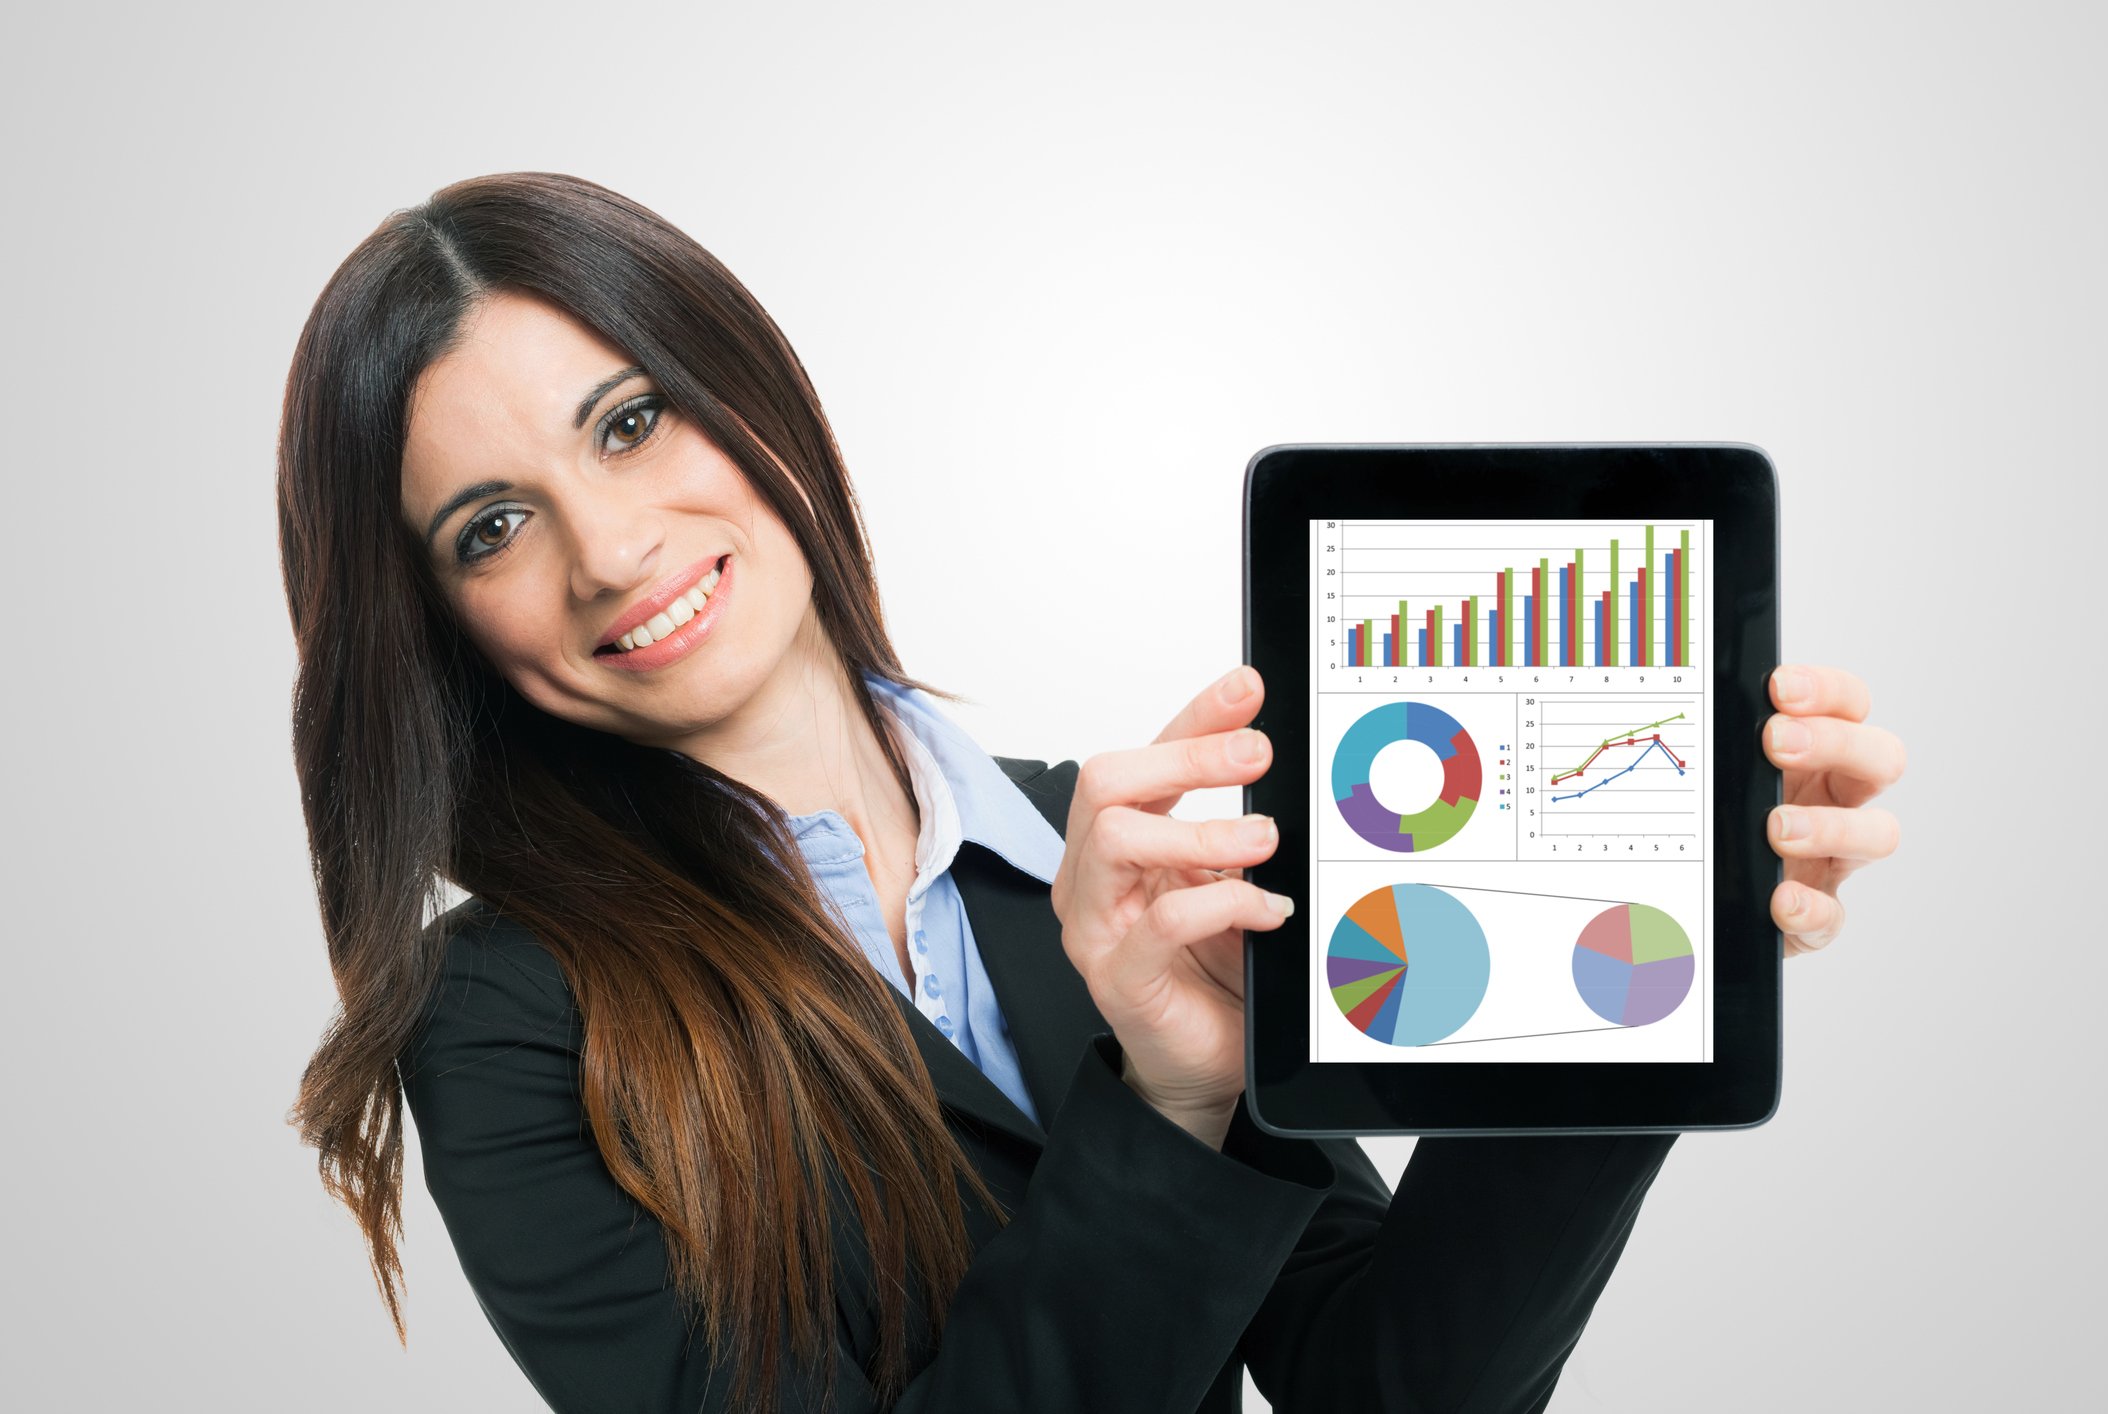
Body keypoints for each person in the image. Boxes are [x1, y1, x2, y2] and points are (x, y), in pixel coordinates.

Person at [277, 172, 1906, 1414]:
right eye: (489, 527)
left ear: (748, 392)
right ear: (432, 624)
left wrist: (1636, 989)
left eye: (629, 423)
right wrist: (1171, 1101)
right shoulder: (503, 1017)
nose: (610, 549)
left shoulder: (1103, 860)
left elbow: (1393, 1381)